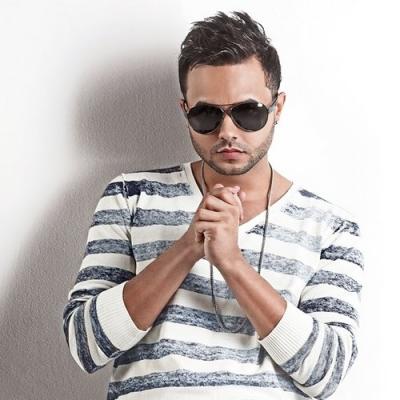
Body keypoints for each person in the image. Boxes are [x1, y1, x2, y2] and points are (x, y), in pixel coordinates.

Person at [62, 10, 364, 400]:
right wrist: (188, 247)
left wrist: (232, 263)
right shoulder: (130, 196)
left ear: (278, 108)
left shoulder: (330, 226)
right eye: (207, 115)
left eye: (248, 112)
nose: (227, 132)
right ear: (185, 110)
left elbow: (326, 374)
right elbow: (85, 347)